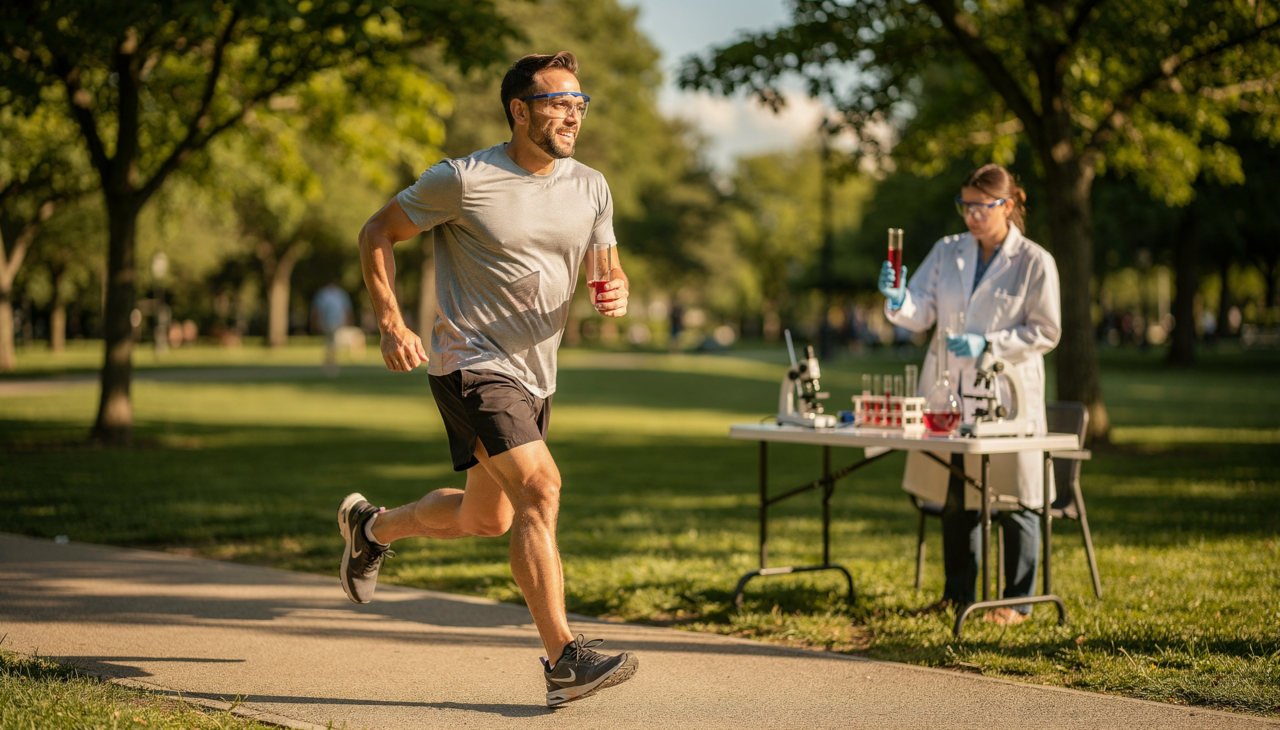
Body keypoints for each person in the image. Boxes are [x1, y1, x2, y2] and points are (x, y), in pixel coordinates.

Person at [339, 51, 637, 707]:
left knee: (486, 519)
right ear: (519, 109)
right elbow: (376, 232)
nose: (573, 114)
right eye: (559, 102)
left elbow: (608, 270)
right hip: (470, 362)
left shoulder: (592, 185)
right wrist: (390, 322)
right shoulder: (463, 179)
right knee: (542, 487)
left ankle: (372, 529)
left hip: (536, 373)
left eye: (579, 103)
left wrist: (614, 291)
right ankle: (563, 659)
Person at [877, 163, 1061, 626]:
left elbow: (1046, 330)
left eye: (982, 207)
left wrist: (991, 345)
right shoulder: (946, 251)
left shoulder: (1035, 261)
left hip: (1006, 393)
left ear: (1010, 204)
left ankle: (1016, 603)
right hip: (947, 395)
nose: (972, 216)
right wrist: (899, 298)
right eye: (966, 206)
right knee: (956, 494)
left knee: (1015, 497)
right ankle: (958, 595)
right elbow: (920, 313)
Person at [311, 281, 353, 375]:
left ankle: (330, 363)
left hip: (336, 323)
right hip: (329, 322)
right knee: (331, 344)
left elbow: (346, 310)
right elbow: (318, 310)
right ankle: (331, 364)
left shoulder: (337, 294)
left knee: (331, 344)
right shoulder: (326, 294)